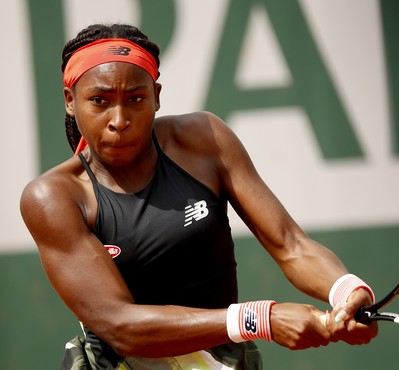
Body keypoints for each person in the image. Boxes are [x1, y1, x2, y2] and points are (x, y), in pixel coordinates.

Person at [20, 23, 377, 369]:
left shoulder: (204, 139)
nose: (119, 119)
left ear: (157, 97)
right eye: (99, 101)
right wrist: (260, 319)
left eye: (135, 99)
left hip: (225, 358)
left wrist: (344, 291)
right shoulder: (53, 197)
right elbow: (122, 326)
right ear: (70, 101)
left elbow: (291, 244)